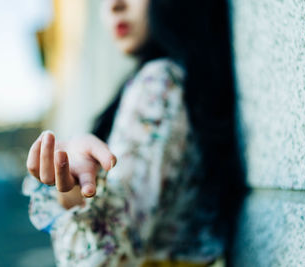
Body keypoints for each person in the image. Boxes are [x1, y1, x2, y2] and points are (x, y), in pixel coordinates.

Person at [23, 0, 246, 266]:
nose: (114, 5)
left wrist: (76, 196)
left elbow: (109, 254)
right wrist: (73, 191)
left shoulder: (158, 83)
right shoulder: (188, 80)